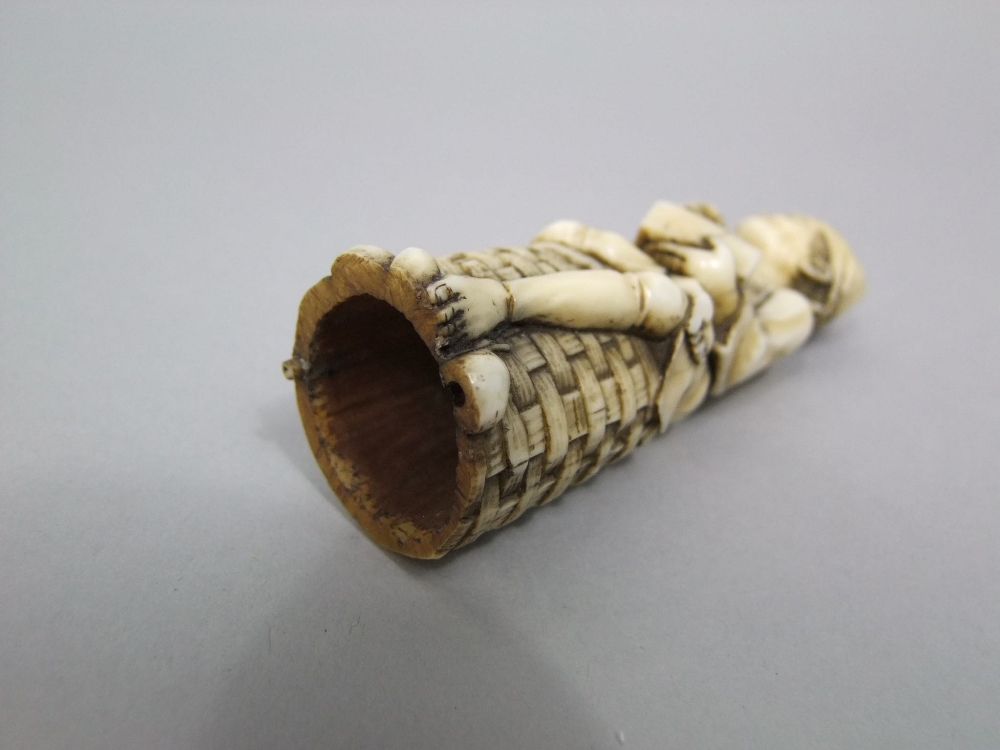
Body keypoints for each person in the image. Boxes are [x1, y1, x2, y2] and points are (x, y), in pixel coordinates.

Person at [424, 201, 865, 430]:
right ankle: (451, 285)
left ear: (817, 271)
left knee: (666, 298)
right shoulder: (728, 237)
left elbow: (742, 358)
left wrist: (726, 293)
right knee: (566, 230)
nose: (780, 217)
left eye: (794, 225)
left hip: (685, 351)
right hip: (644, 273)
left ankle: (503, 302)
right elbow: (658, 235)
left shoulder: (793, 310)